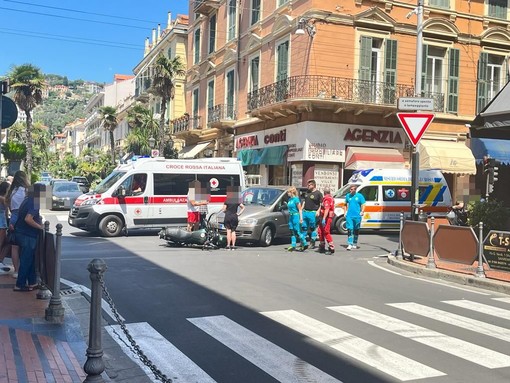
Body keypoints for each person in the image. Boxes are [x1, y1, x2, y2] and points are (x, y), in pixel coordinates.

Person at [13, 183, 44, 291]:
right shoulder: (35, 202)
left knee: (29, 258)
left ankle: (32, 282)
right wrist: (40, 227)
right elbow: (28, 219)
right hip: (28, 234)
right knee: (27, 259)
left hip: (21, 232)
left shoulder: (27, 199)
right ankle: (19, 284)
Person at [5, 170, 30, 277]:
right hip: (24, 217)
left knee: (15, 246)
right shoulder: (27, 191)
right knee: (26, 246)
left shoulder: (12, 192)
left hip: (14, 217)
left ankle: (16, 270)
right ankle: (25, 271)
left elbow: (9, 207)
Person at [221, 186, 245, 250]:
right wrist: (239, 213)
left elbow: (223, 209)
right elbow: (243, 207)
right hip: (234, 216)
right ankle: (233, 245)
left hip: (228, 216)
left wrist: (225, 211)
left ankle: (228, 245)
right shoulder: (237, 200)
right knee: (233, 231)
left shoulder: (227, 200)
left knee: (228, 231)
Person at [302, 179, 323, 248]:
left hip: (313, 213)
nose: (308, 186)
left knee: (312, 228)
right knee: (304, 227)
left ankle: (312, 242)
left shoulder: (318, 193)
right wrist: (301, 209)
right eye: (307, 185)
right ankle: (303, 242)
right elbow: (304, 201)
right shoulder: (307, 192)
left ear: (313, 185)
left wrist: (318, 211)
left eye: (309, 185)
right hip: (305, 212)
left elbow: (321, 204)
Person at [285, 186, 307, 252]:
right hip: (291, 216)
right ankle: (293, 245)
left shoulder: (296, 199)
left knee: (297, 231)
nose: (287, 194)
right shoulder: (289, 200)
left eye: (288, 192)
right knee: (292, 231)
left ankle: (304, 243)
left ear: (292, 192)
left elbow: (300, 209)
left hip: (295, 215)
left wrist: (301, 218)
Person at [345, 185, 366, 250]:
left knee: (356, 229)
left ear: (355, 190)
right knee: (350, 229)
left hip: (357, 215)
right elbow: (346, 204)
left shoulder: (360, 196)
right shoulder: (348, 196)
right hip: (349, 215)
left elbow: (363, 204)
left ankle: (355, 243)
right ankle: (350, 244)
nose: (350, 191)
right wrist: (345, 211)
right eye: (350, 189)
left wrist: (362, 211)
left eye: (351, 189)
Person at [318, 187, 335, 255]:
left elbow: (327, 209)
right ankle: (322, 245)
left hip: (327, 218)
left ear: (324, 192)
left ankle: (331, 248)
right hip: (324, 217)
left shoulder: (327, 199)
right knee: (320, 231)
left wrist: (324, 218)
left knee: (326, 231)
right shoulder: (328, 198)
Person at [0, 181, 11, 272]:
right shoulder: (2, 198)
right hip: (1, 221)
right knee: (2, 242)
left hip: (3, 220)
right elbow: (7, 205)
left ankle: (1, 260)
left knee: (7, 242)